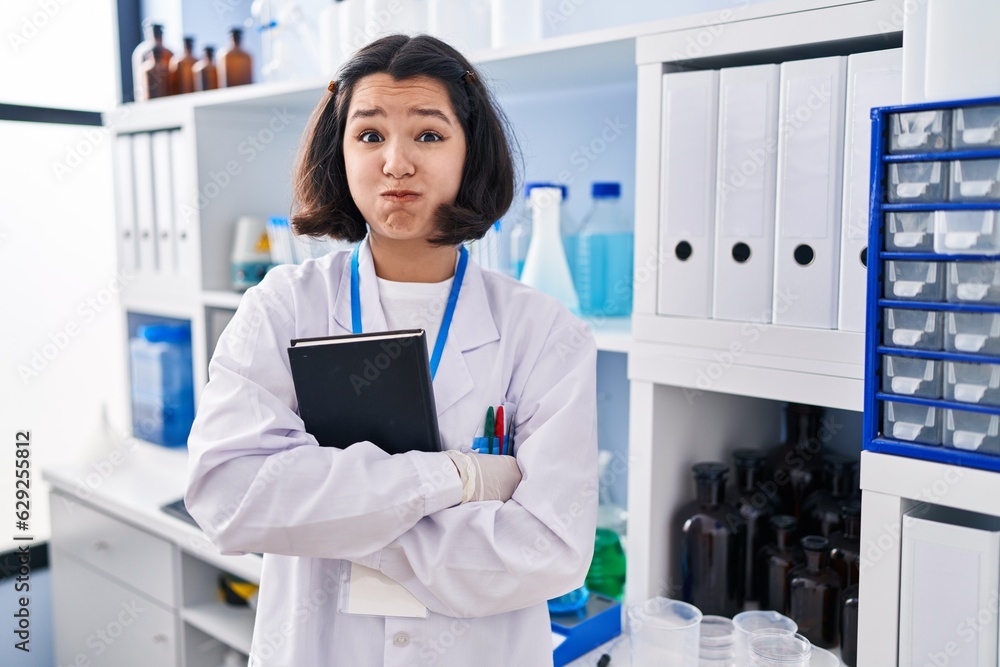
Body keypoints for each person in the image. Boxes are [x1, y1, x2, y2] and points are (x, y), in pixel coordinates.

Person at [185, 34, 598, 667]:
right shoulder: (282, 306)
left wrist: (329, 514)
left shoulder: (544, 332)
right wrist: (458, 478)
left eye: (428, 135)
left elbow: (549, 549)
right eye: (369, 135)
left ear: (471, 152)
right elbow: (227, 495)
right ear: (340, 151)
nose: (396, 162)